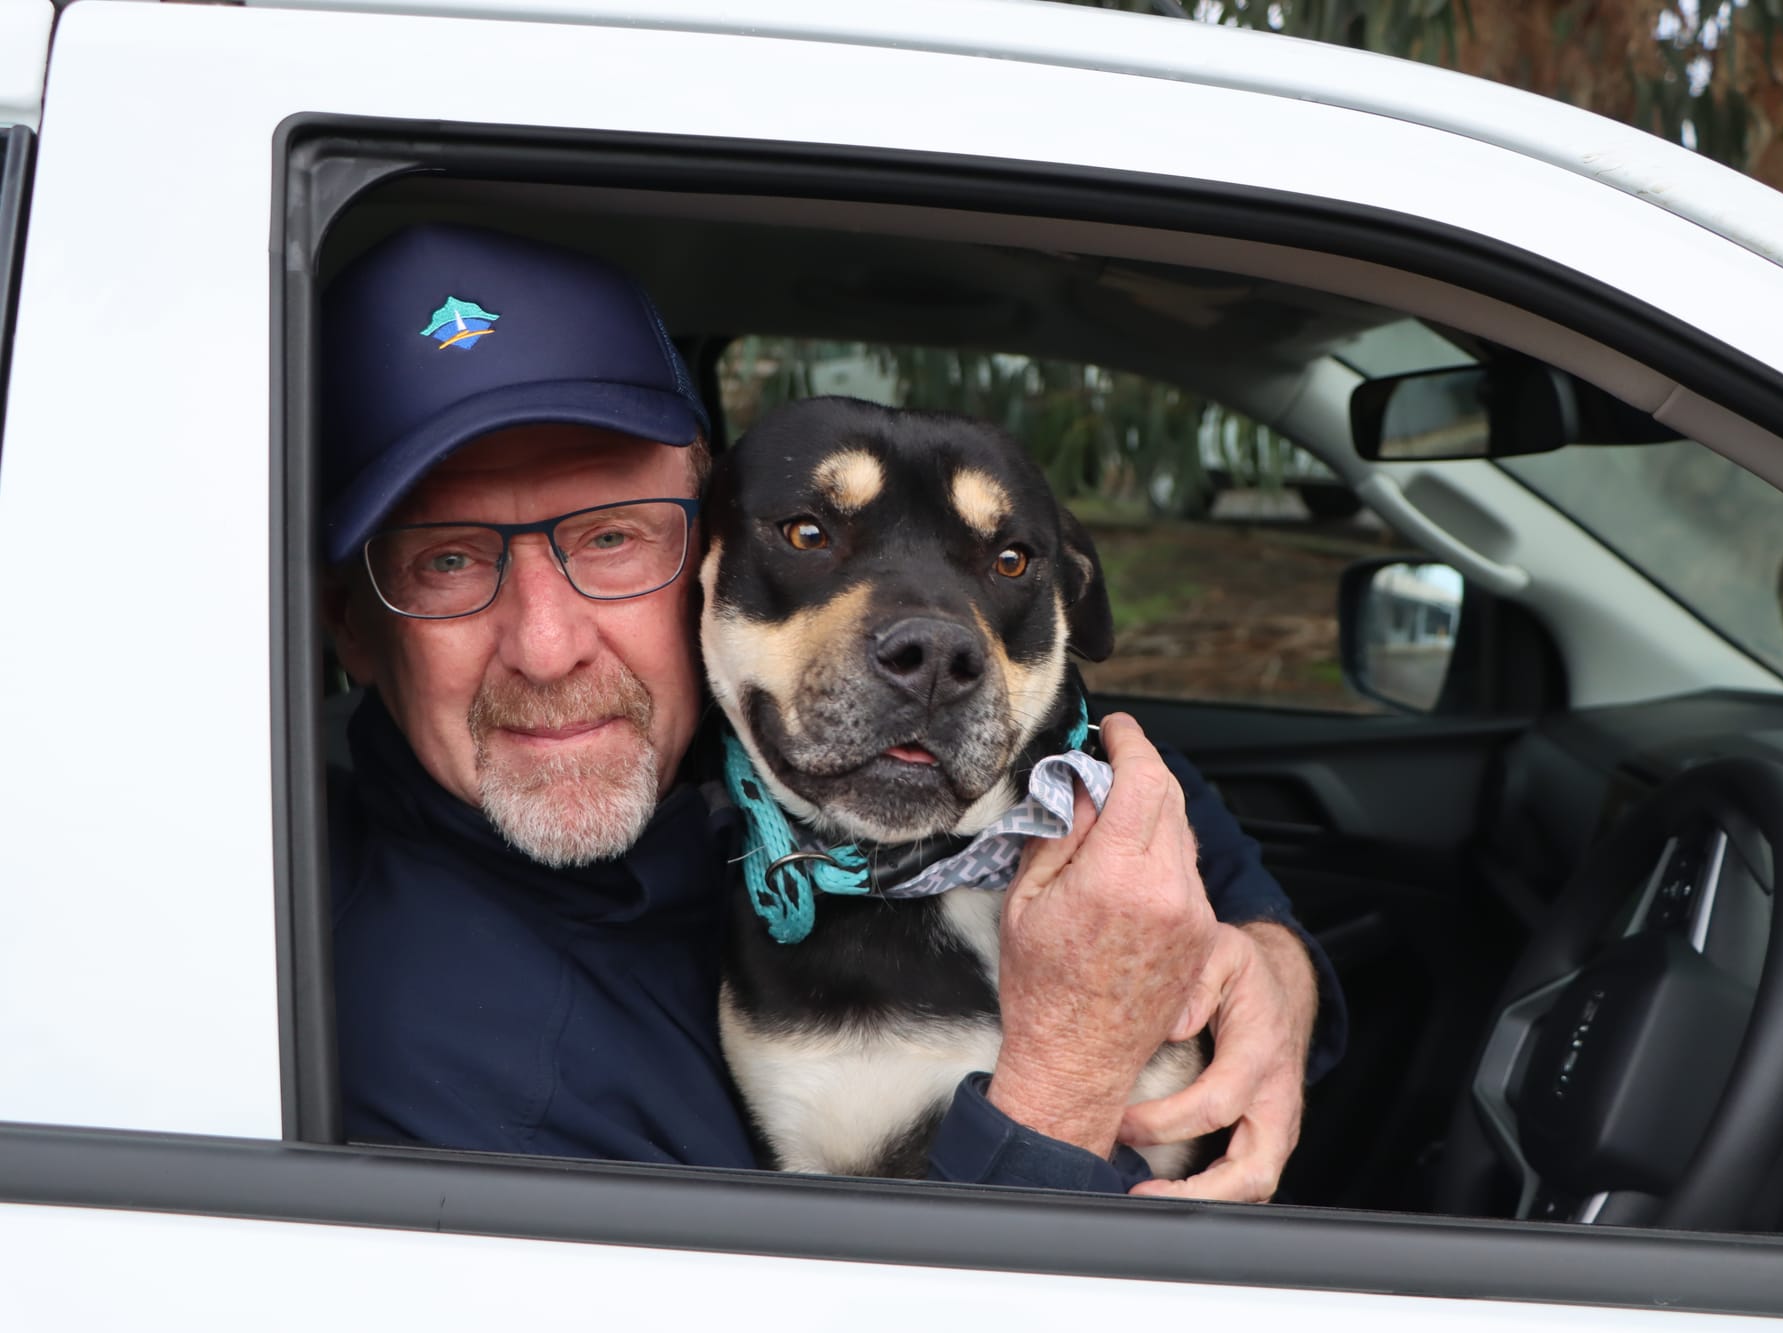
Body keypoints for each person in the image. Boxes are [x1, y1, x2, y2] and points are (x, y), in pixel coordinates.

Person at [320, 224, 1345, 1200]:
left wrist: (1265, 976)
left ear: (698, 558)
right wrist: (1068, 1081)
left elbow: (1151, 797)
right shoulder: (446, 1081)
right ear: (348, 629)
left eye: (611, 539)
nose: (548, 648)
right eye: (444, 560)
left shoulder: (716, 736)